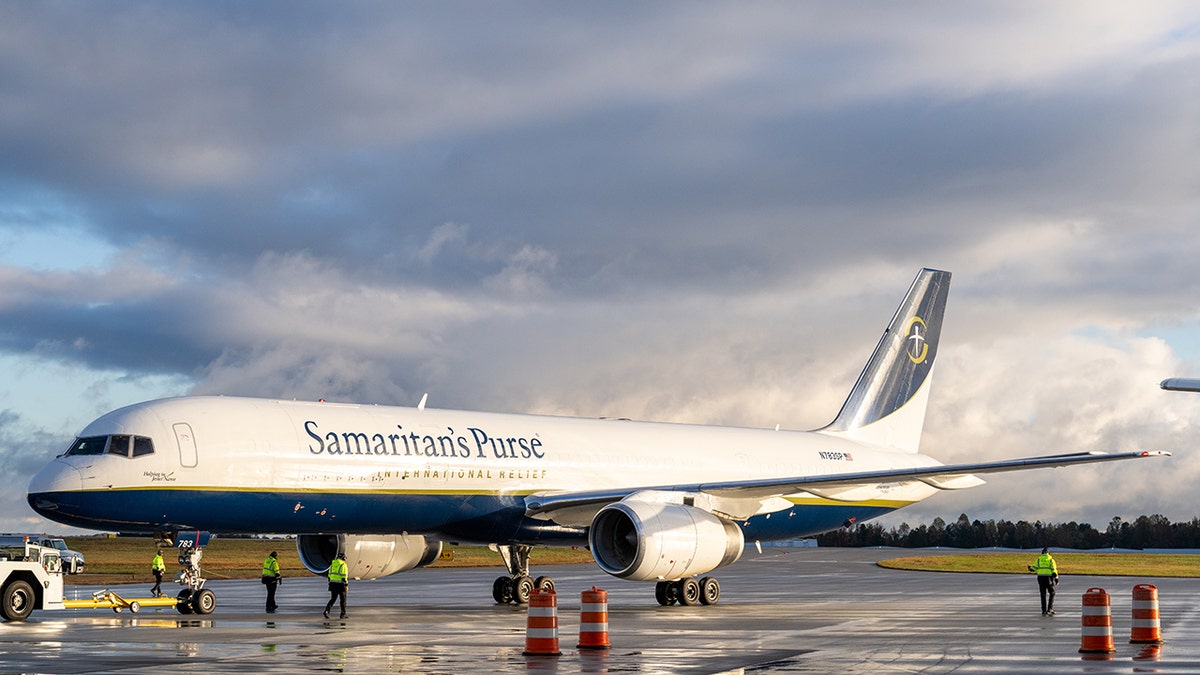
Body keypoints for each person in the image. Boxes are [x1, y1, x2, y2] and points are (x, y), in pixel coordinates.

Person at [1027, 547, 1058, 615]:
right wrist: (1056, 579)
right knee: (1052, 593)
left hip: (1040, 578)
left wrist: (1030, 568)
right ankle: (1050, 608)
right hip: (1048, 578)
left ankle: (1044, 610)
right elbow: (1054, 570)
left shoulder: (1039, 559)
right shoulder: (1051, 560)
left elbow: (1034, 568)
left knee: (1043, 594)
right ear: (1048, 553)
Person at [324, 552, 348, 619]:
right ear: (343, 558)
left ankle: (326, 611)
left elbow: (329, 575)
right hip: (340, 585)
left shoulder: (332, 565)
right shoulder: (343, 565)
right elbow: (344, 576)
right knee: (343, 600)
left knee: (333, 599)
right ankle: (343, 614)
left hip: (333, 584)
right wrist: (346, 585)